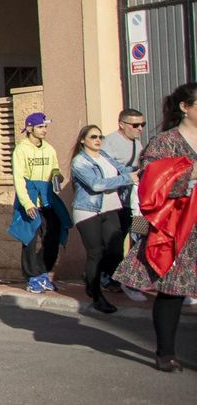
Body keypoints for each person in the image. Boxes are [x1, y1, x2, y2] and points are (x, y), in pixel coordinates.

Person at [112, 83, 197, 372]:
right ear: (185, 107)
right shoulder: (164, 142)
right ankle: (166, 353)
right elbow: (151, 181)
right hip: (174, 225)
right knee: (172, 290)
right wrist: (190, 171)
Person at [69, 124, 133, 315]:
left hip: (111, 209)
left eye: (100, 137)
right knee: (95, 253)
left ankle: (91, 277)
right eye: (93, 137)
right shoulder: (79, 162)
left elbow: (123, 169)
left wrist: (143, 170)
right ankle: (97, 296)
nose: (98, 140)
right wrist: (129, 178)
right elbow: (96, 185)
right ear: (83, 140)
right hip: (88, 211)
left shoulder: (105, 156)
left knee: (114, 249)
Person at [9, 112, 72, 293]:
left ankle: (43, 272)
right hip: (30, 199)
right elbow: (18, 178)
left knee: (53, 234)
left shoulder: (49, 149)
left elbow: (54, 168)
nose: (44, 130)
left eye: (45, 127)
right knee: (29, 238)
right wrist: (27, 203)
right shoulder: (21, 150)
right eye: (40, 127)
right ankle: (31, 277)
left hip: (48, 198)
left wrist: (56, 175)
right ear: (30, 128)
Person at [101, 109, 147, 294]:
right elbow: (105, 168)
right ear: (121, 124)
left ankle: (133, 276)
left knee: (140, 236)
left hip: (136, 203)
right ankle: (109, 276)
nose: (140, 129)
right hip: (116, 201)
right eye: (135, 125)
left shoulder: (137, 143)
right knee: (115, 239)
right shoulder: (109, 143)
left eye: (142, 125)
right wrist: (128, 174)